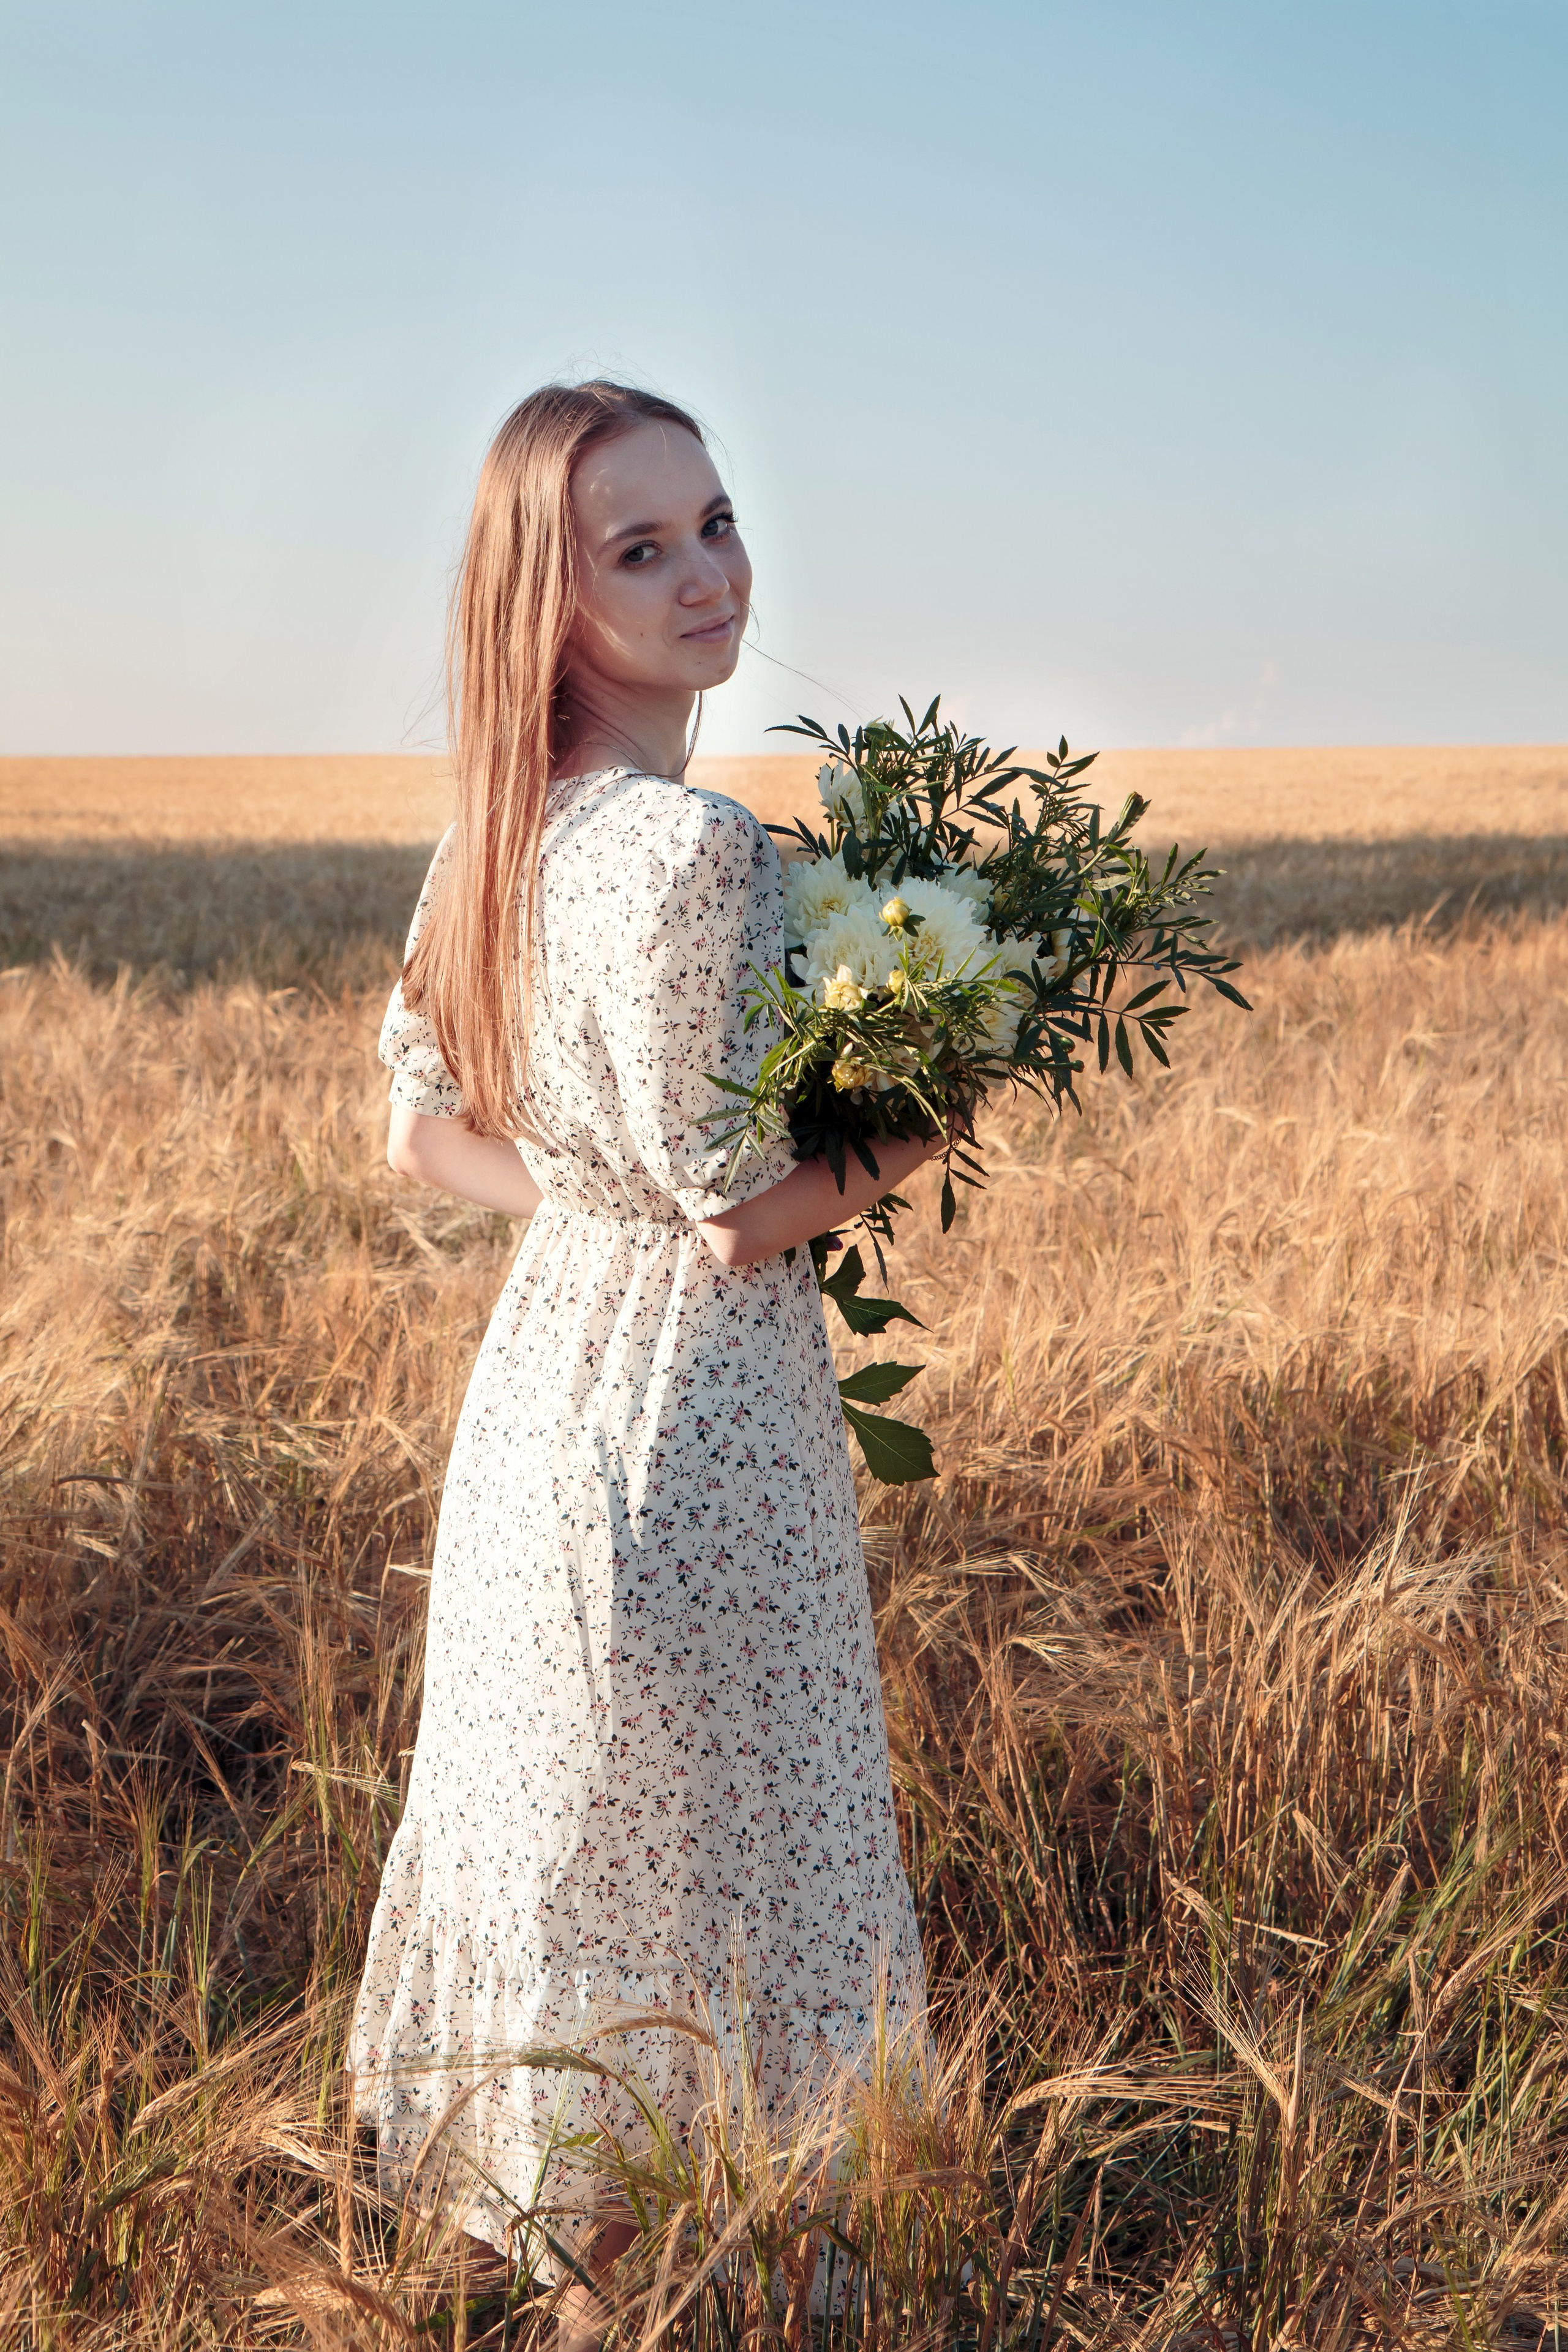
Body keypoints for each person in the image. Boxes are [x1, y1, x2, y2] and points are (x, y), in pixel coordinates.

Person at [348, 381, 937, 2347]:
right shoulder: (690, 850)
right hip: (702, 1433)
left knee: (583, 1884)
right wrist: (927, 1111)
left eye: (717, 521)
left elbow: (421, 1127)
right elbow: (733, 1203)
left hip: (536, 1418)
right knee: (726, 1902)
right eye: (641, 547)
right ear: (556, 596)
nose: (709, 571)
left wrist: (575, 1197)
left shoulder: (487, 844)